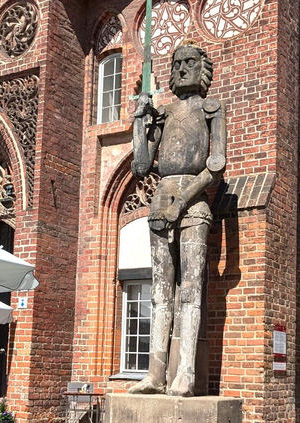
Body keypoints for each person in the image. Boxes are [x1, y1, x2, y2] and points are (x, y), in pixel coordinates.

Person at [129, 40, 226, 397]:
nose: (182, 68)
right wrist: (140, 123)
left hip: (194, 203)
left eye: (189, 62)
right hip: (160, 200)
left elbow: (215, 164)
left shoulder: (212, 108)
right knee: (159, 291)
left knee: (190, 289)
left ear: (202, 69)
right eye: (177, 63)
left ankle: (184, 371)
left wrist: (181, 202)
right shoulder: (164, 114)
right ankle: (154, 374)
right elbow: (141, 165)